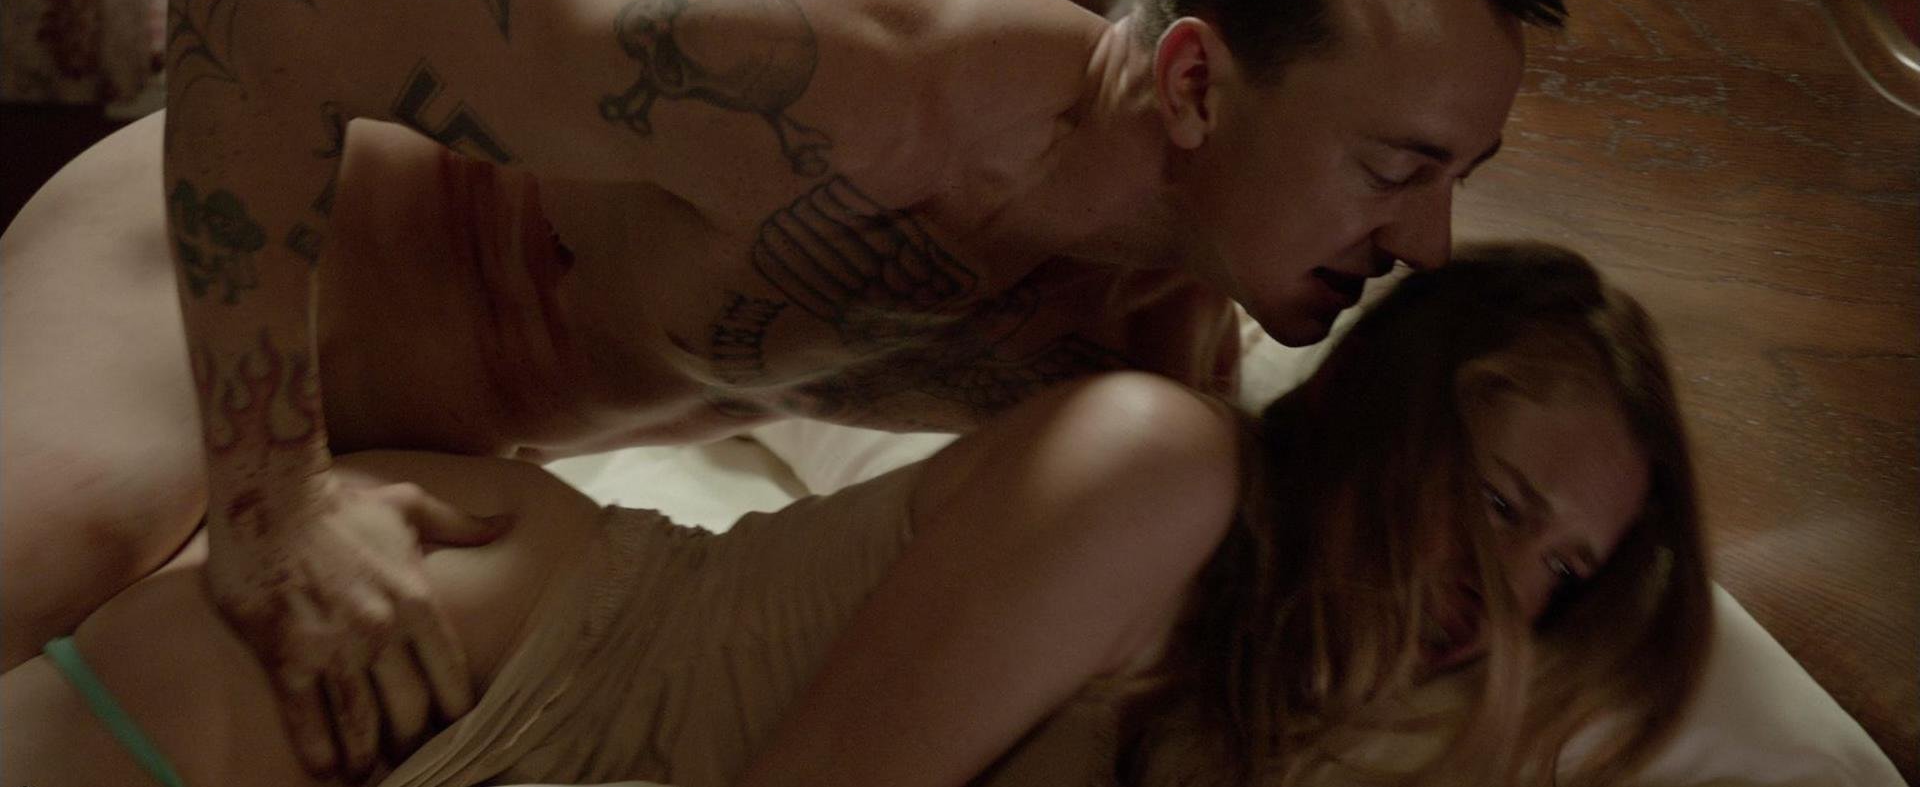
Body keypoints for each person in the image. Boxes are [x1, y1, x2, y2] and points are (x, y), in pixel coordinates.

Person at [0, 0, 1567, 773]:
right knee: (55, 549)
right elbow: (256, 8)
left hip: (482, 440)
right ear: (1196, 82)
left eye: (1460, 177)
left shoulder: (1149, 361)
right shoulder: (856, 67)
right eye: (1400, 165)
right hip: (257, 275)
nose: (1430, 242)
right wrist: (271, 496)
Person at [2, 243, 1712, 787]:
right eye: (1501, 503)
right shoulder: (1164, 465)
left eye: (1561, 570)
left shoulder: (1300, 670)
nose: (1506, 591)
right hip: (438, 663)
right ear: (1393, 413)